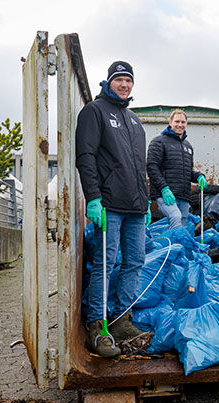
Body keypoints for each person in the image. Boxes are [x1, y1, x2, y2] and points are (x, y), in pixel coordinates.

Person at [76, 60, 151, 358]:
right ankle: (97, 324)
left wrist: (145, 201)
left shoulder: (134, 120)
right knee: (105, 264)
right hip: (109, 205)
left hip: (135, 206)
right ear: (108, 82)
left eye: (128, 81)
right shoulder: (94, 112)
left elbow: (138, 167)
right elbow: (86, 156)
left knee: (135, 261)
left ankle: (122, 319)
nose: (124, 85)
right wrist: (93, 197)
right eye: (119, 80)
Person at [147, 109, 206, 230]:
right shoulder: (158, 141)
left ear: (186, 124)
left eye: (183, 122)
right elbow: (152, 167)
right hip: (165, 193)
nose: (180, 125)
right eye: (177, 121)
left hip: (183, 195)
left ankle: (175, 247)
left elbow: (187, 172)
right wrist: (164, 188)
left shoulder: (187, 146)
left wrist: (199, 176)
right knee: (175, 217)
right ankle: (172, 248)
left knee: (182, 224)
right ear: (170, 122)